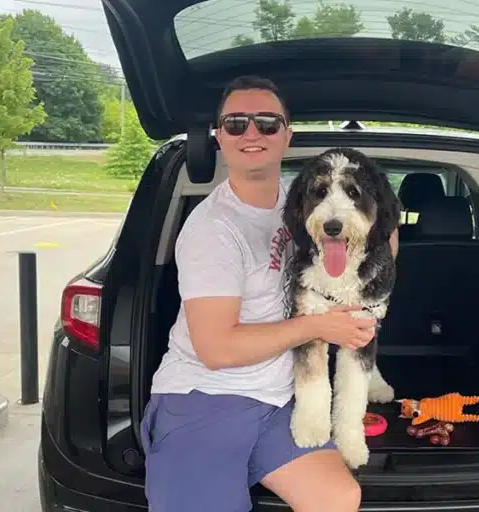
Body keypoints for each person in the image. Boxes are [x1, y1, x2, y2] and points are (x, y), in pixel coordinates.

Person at [140, 75, 396, 512]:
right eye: (237, 123)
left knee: (338, 498)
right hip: (207, 398)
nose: (252, 133)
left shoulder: (299, 200)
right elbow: (216, 349)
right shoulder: (213, 231)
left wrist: (376, 255)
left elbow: (377, 227)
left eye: (267, 122)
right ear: (219, 136)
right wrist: (319, 326)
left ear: (286, 135)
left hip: (277, 399)